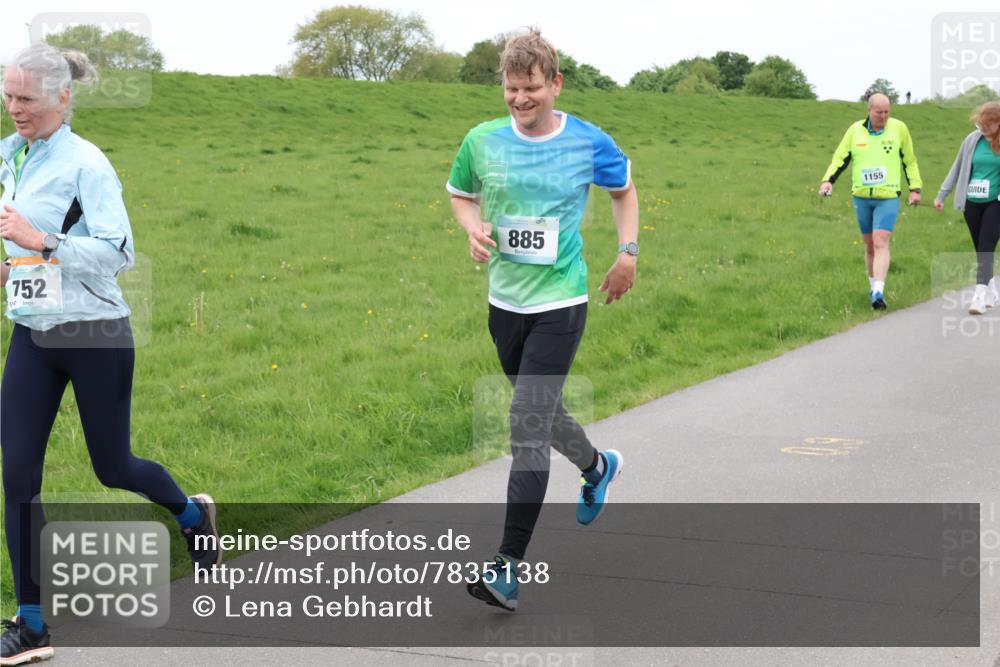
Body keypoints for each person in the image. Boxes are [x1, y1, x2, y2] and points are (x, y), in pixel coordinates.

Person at [0, 45, 220, 665]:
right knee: (18, 475)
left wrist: (39, 239)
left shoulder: (87, 164)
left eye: (28, 99)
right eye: (9, 95)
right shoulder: (10, 155)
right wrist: (11, 264)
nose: (15, 108)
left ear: (63, 98)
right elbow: (18, 247)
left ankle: (191, 513)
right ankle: (32, 624)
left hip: (93, 332)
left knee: (111, 467)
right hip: (33, 333)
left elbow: (118, 252)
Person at [446, 30, 638, 612]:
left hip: (560, 302)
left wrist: (627, 253)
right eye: (510, 88)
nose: (520, 99)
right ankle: (598, 465)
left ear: (555, 84)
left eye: (531, 88)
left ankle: (506, 566)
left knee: (526, 423)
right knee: (545, 411)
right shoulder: (481, 141)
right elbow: (460, 194)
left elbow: (624, 192)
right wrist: (472, 228)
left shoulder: (587, 141)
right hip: (505, 305)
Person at [819, 93, 923, 310]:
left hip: (888, 196)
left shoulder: (899, 129)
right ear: (869, 111)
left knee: (880, 240)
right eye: (879, 112)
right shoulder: (855, 130)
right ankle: (872, 287)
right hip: (862, 196)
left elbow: (909, 161)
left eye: (887, 112)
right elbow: (840, 159)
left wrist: (915, 189)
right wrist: (828, 181)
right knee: (869, 246)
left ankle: (879, 290)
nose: (883, 116)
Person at [934, 101, 1000, 314]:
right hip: (972, 202)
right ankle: (992, 290)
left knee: (985, 247)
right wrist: (941, 194)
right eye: (980, 123)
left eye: (988, 124)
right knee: (980, 249)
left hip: (995, 202)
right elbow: (957, 168)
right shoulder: (972, 140)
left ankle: (978, 298)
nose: (983, 127)